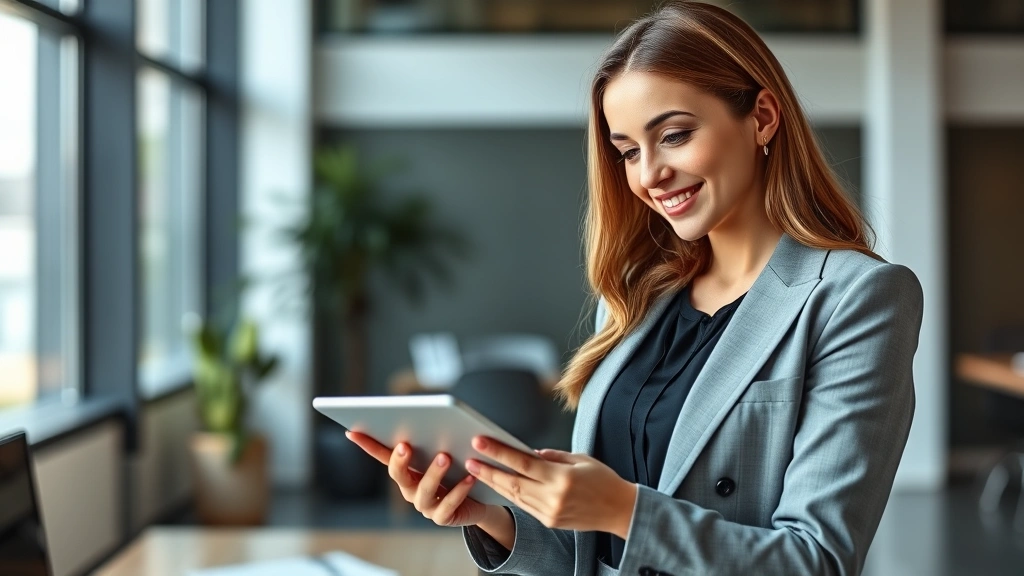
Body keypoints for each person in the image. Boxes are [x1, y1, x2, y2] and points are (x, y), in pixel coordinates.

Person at [346, 2, 924, 575]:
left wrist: (622, 509)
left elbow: (816, 562)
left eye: (674, 135)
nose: (649, 175)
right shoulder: (634, 298)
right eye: (627, 151)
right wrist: (493, 518)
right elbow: (596, 550)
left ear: (763, 117)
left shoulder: (858, 299)